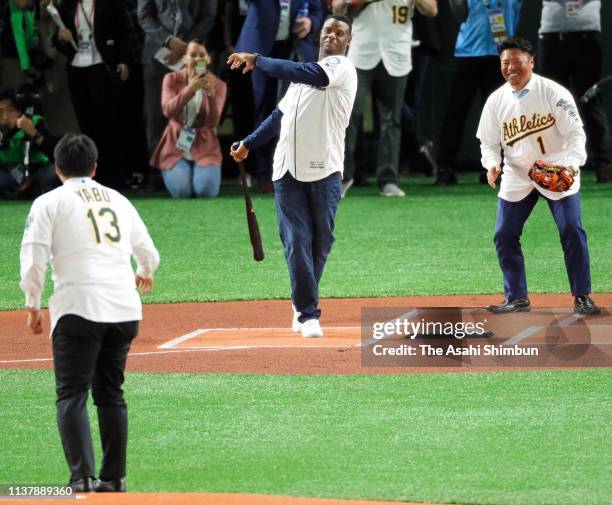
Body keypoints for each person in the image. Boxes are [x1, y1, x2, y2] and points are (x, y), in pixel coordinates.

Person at [19, 133, 160, 492]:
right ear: (95, 167)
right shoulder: (118, 199)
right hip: (125, 309)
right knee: (111, 394)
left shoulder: (49, 202)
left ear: (57, 167)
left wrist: (33, 303)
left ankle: (81, 478)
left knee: (72, 394)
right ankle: (114, 479)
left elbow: (33, 256)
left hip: (78, 309)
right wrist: (144, 271)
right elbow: (146, 250)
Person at [228, 14, 357, 338]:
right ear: (320, 36)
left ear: (348, 41)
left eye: (339, 33)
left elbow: (306, 72)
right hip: (286, 171)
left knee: (320, 241)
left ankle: (302, 300)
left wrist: (257, 59)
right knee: (296, 240)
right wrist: (248, 143)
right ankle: (307, 312)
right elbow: (278, 116)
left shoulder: (341, 69)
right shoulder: (300, 77)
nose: (332, 36)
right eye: (328, 30)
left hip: (325, 170)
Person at [477, 37, 600, 315]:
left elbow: (576, 134)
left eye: (517, 61)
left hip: (557, 168)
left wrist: (572, 165)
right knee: (504, 234)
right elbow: (487, 141)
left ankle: (582, 296)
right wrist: (492, 163)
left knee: (571, 229)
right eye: (505, 62)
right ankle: (516, 297)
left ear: (531, 62)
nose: (510, 67)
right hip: (518, 173)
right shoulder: (496, 100)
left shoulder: (553, 92)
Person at [333, 0, 438, 198]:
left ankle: (388, 179)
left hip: (396, 52)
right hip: (361, 50)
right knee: (348, 113)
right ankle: (341, 177)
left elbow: (432, 9)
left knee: (392, 118)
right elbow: (337, 8)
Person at [234, 0, 324, 194]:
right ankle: (263, 173)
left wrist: (310, 22)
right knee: (263, 111)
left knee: (295, 112)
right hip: (259, 48)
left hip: (295, 50)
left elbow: (319, 11)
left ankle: (291, 171)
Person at [435, 0, 523, 186]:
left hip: (500, 57)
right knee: (455, 113)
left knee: (500, 118)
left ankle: (497, 169)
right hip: (467, 53)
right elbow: (458, 11)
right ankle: (445, 168)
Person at [53, 0, 131, 189]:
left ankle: (115, 176)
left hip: (102, 67)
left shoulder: (109, 4)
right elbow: (56, 41)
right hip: (77, 68)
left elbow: (124, 31)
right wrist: (61, 37)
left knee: (109, 123)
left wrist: (123, 60)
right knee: (86, 123)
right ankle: (91, 176)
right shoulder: (66, 6)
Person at [537, 0, 611, 183]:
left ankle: (604, 164)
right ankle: (549, 164)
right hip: (552, 38)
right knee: (551, 105)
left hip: (587, 39)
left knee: (591, 100)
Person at [150, 39, 226, 198]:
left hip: (205, 146)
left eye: (202, 55)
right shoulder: (170, 79)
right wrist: (190, 89)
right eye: (193, 55)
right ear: (184, 59)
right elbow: (168, 111)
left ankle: (203, 174)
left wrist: (211, 96)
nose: (198, 59)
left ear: (208, 59)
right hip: (175, 145)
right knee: (181, 192)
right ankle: (177, 171)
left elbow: (213, 122)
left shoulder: (219, 85)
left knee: (205, 191)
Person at [0, 88, 59, 197]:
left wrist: (33, 132)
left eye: (10, 110)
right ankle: (20, 192)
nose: (5, 117)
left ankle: (29, 191)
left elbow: (55, 152)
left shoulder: (34, 121)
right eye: (0, 112)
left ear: (19, 111)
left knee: (52, 171)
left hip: (37, 171)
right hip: (11, 173)